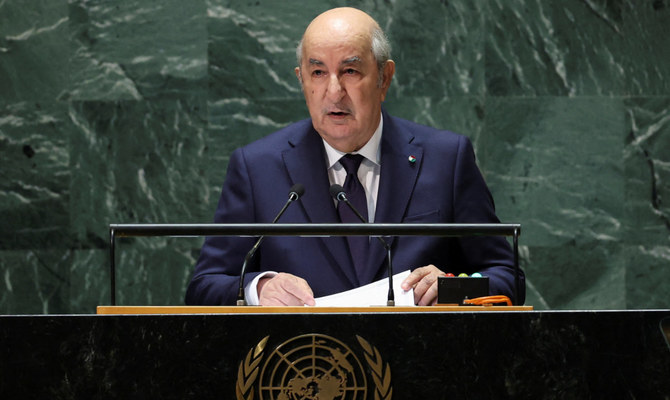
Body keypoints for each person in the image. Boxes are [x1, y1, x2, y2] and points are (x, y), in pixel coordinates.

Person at [185, 7, 525, 306]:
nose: (334, 92)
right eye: (318, 73)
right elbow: (204, 286)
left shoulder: (446, 159)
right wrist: (259, 288)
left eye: (350, 71)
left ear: (384, 77)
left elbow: (507, 278)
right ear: (301, 80)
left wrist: (452, 289)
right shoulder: (257, 168)